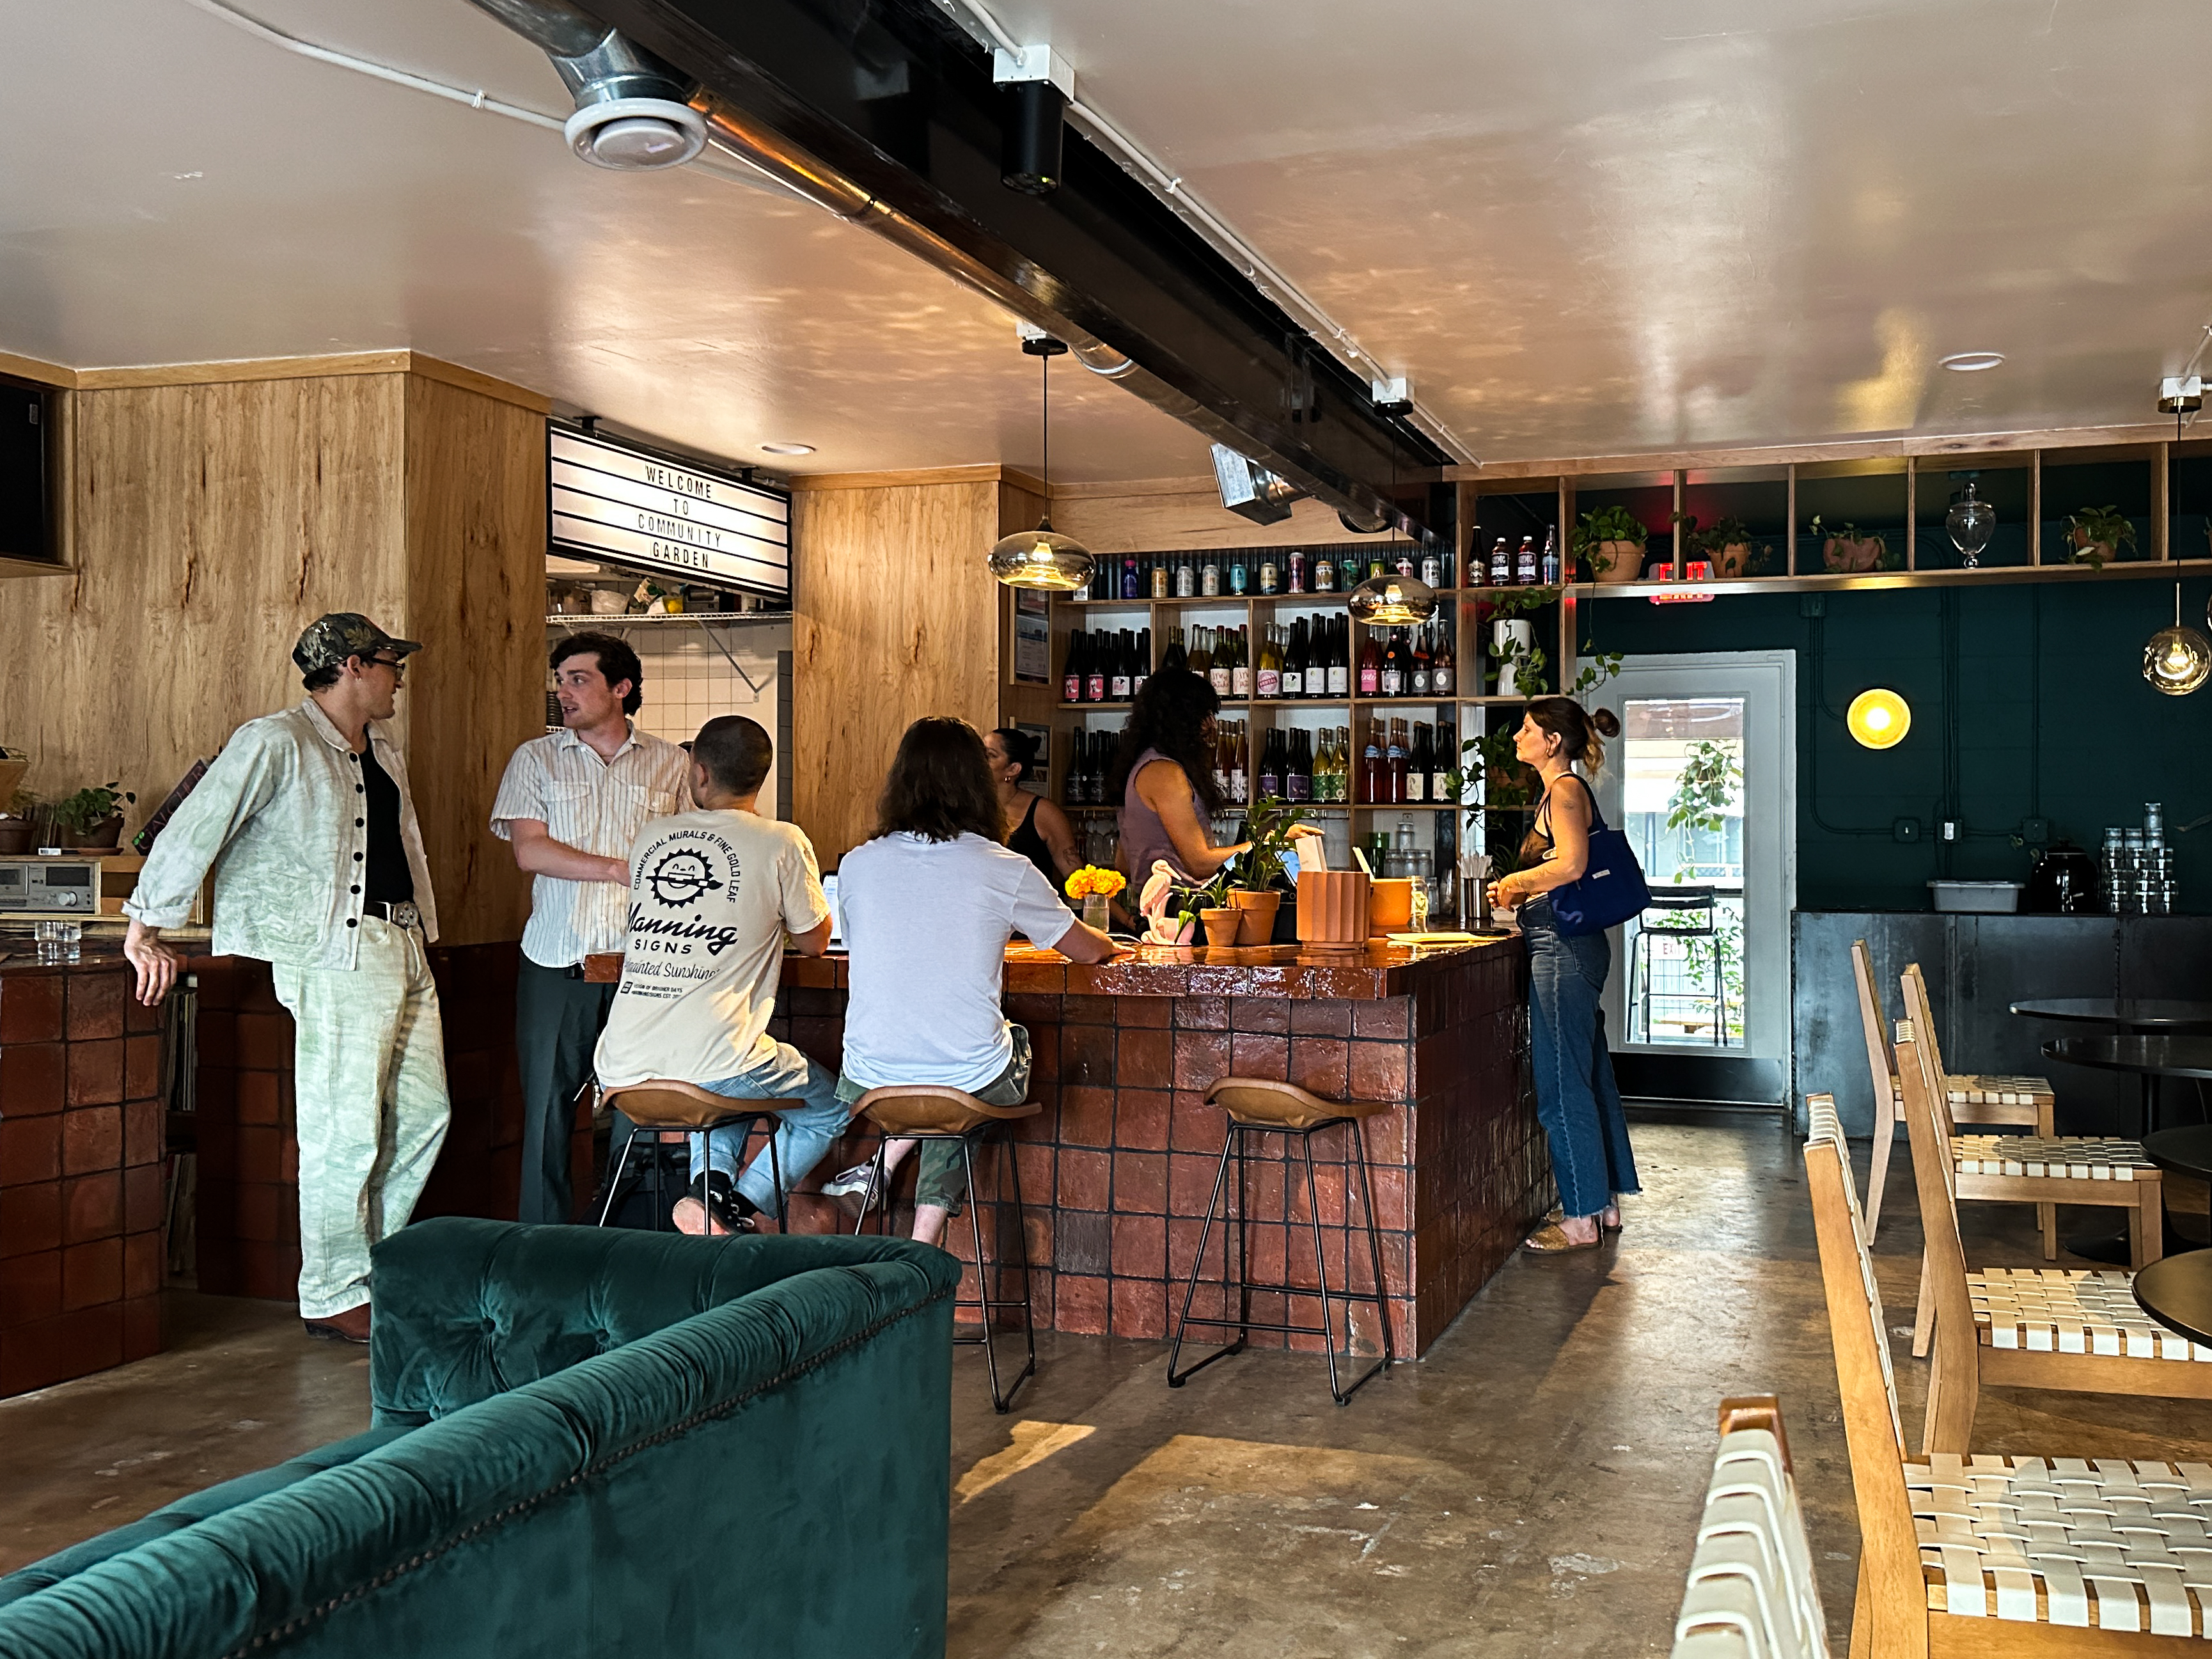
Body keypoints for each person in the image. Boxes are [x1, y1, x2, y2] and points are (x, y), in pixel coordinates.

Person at [122, 613, 449, 1344]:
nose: (400, 677)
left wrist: (426, 932)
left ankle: (372, 1268)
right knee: (345, 1127)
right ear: (355, 667)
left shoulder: (382, 748)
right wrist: (147, 922)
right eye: (392, 664)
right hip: (333, 949)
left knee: (426, 1114)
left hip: (401, 940)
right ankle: (332, 1288)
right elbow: (197, 824)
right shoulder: (276, 740)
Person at [819, 718, 1117, 1245]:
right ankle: (923, 1238)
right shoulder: (1004, 866)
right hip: (965, 1071)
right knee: (973, 1062)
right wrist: (1120, 942)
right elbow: (1087, 950)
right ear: (979, 783)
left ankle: (879, 1171)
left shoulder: (858, 865)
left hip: (868, 1075)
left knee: (948, 1075)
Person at [591, 714, 840, 1236]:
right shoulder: (782, 841)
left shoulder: (653, 838)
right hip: (715, 1064)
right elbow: (816, 943)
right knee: (831, 1104)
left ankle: (710, 1198)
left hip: (622, 1067)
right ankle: (742, 1204)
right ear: (761, 778)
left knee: (734, 1074)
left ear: (697, 773)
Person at [490, 631, 689, 1225]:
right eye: (559, 681)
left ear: (621, 688)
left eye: (578, 679)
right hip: (557, 958)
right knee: (547, 1112)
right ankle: (543, 1249)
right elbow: (530, 852)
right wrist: (616, 869)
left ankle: (624, 1238)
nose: (563, 693)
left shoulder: (672, 764)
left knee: (642, 1107)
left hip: (645, 962)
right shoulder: (535, 758)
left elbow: (690, 854)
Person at [1486, 697, 1638, 1254]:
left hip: (1562, 947)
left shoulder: (1565, 791)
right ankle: (1605, 1201)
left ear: (1552, 741)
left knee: (1559, 1081)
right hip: (1568, 946)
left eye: (1526, 730)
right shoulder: (1560, 793)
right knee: (1589, 1075)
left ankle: (1578, 1218)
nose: (1517, 738)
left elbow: (1571, 865)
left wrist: (1516, 882)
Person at [1109, 668, 1321, 885]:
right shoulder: (1165, 773)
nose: (1212, 725)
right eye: (1205, 715)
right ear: (1180, 718)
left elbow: (1124, 865)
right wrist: (1272, 842)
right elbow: (1199, 864)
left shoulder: (1139, 766)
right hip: (1181, 910)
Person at [985, 727, 1081, 899]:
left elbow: (1077, 877)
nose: (979, 761)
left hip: (1034, 919)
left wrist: (1128, 921)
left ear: (1013, 769)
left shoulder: (1043, 812)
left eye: (990, 756)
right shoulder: (966, 809)